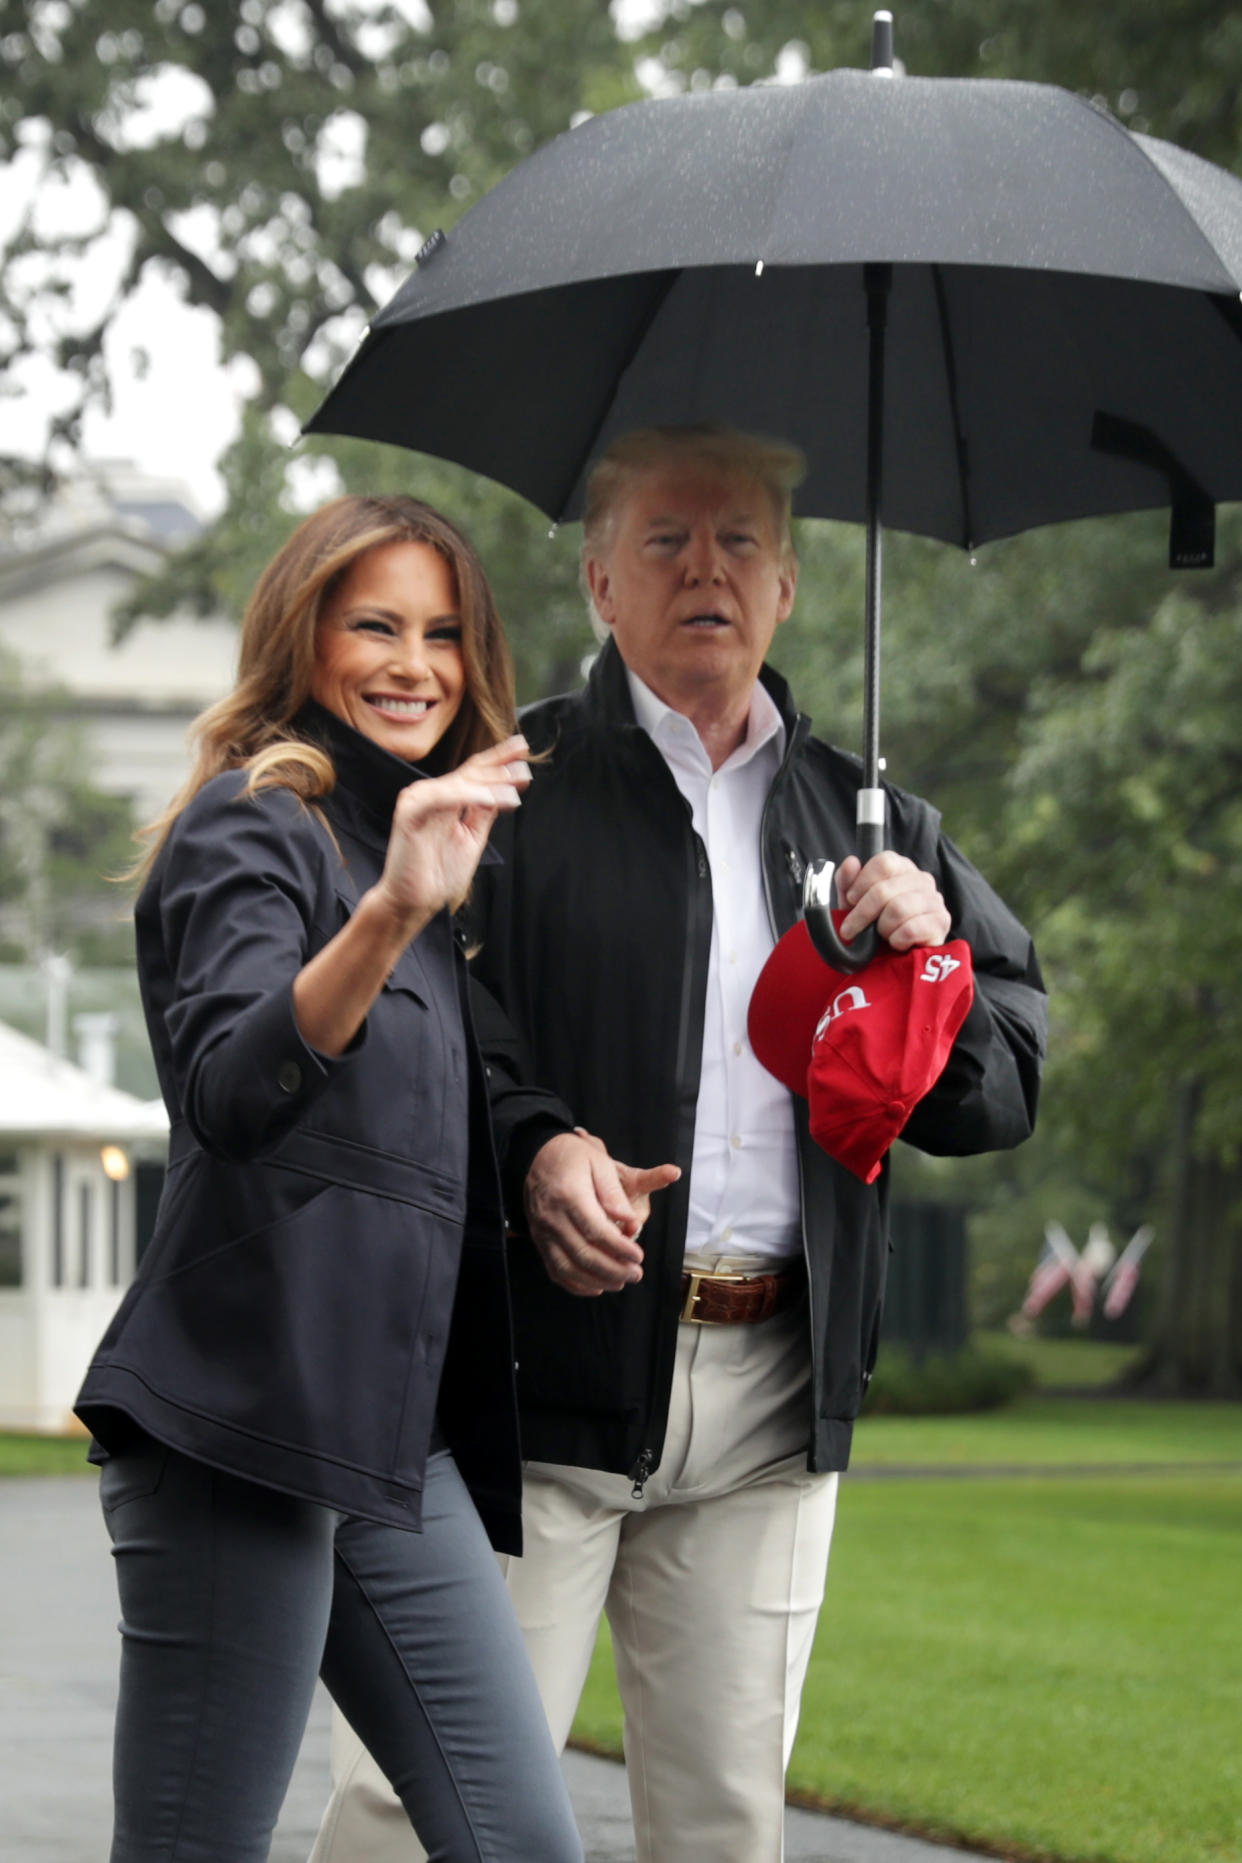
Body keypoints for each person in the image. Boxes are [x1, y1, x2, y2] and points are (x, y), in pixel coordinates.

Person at [310, 428, 1048, 1863]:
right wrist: (532, 1154)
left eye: (739, 542)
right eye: (663, 539)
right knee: (416, 1807)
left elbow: (1000, 1080)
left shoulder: (875, 824)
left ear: (787, 587)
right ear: (597, 578)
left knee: (720, 1825)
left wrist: (932, 959)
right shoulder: (505, 794)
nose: (703, 568)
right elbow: (424, 1026)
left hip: (772, 1400)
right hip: (528, 1389)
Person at [74, 494, 584, 1863]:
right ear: (303, 638)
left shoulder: (410, 859)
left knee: (525, 1842)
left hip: (381, 1442)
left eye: (442, 633)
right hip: (239, 1427)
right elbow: (236, 1089)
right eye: (376, 626)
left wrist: (559, 1161)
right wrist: (390, 912)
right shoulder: (253, 829)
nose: (414, 664)